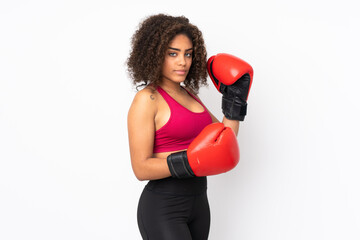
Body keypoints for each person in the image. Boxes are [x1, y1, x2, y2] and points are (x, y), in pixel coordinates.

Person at [127, 14, 253, 240]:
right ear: (155, 55)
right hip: (164, 206)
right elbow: (141, 168)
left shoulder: (189, 95)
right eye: (172, 53)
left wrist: (235, 100)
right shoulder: (148, 99)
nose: (182, 62)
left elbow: (225, 140)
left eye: (188, 54)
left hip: (199, 203)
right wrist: (190, 160)